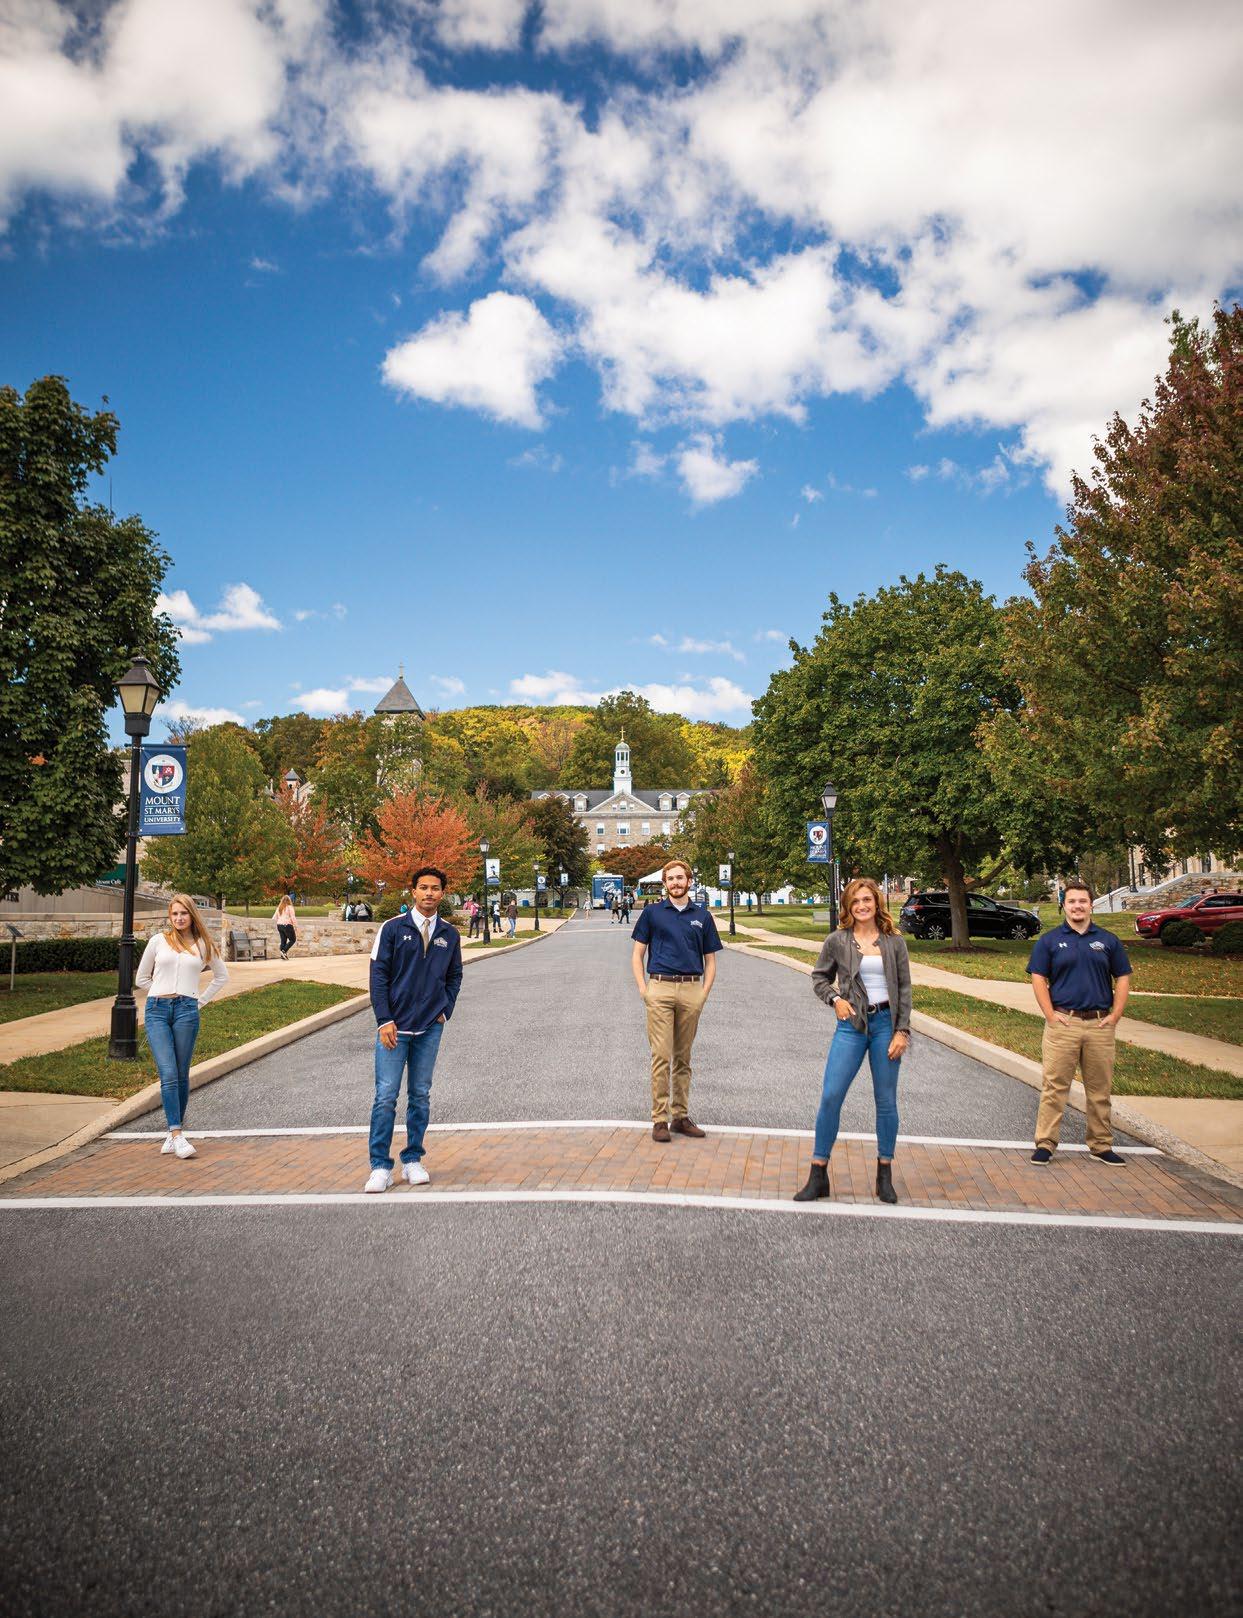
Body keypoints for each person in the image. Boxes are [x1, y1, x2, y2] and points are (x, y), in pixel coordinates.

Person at [795, 877, 912, 1204]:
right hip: (852, 1026)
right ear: (848, 906)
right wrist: (835, 1000)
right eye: (855, 901)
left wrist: (902, 1031)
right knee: (831, 1095)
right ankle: (818, 1174)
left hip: (886, 1025)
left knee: (886, 1100)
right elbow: (819, 978)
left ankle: (884, 1174)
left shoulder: (894, 942)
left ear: (876, 903)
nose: (862, 906)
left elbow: (904, 988)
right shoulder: (837, 940)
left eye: (867, 900)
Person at [365, 866, 464, 1193]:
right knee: (386, 1097)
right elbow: (378, 976)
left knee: (420, 1096)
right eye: (423, 887)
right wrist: (384, 1019)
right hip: (394, 1027)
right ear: (413, 891)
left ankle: (412, 1160)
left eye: (435, 888)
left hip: (429, 1028)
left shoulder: (449, 934)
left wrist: (445, 1010)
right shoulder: (393, 929)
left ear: (443, 893)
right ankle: (380, 1166)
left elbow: (454, 976)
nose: (429, 893)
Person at [1027, 879, 1131, 1166]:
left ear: (1091, 905)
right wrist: (1050, 1015)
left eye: (1082, 901)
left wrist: (1115, 1015)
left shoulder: (1108, 941)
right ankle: (1045, 1144)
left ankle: (1101, 1145)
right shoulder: (1049, 941)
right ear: (1064, 906)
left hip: (1099, 1025)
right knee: (1054, 1087)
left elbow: (1123, 977)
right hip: (1064, 1024)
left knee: (1100, 1090)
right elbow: (1038, 977)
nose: (1077, 906)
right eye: (1072, 901)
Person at [631, 858, 722, 1142]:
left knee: (683, 1057)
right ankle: (660, 1119)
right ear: (665, 883)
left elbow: (710, 960)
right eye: (670, 879)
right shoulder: (652, 913)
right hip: (659, 988)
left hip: (691, 989)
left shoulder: (703, 916)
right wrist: (644, 990)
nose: (675, 883)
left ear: (689, 881)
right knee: (661, 1056)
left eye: (680, 878)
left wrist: (703, 994)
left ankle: (680, 1117)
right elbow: (637, 955)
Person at [135, 893, 229, 1159]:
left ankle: (173, 1132)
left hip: (187, 1011)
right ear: (170, 916)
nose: (178, 918)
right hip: (157, 1011)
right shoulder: (158, 941)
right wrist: (160, 992)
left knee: (181, 1073)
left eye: (183, 913)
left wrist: (199, 1002)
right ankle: (177, 1134)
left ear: (192, 915)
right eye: (174, 914)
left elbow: (221, 976)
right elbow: (141, 978)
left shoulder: (203, 944)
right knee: (168, 1072)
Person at [273, 892, 297, 960]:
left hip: (279, 925)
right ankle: (284, 951)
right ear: (289, 900)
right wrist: (295, 925)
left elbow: (275, 917)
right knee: (293, 939)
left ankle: (282, 955)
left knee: (283, 941)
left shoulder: (279, 908)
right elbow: (292, 917)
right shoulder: (290, 907)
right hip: (287, 925)